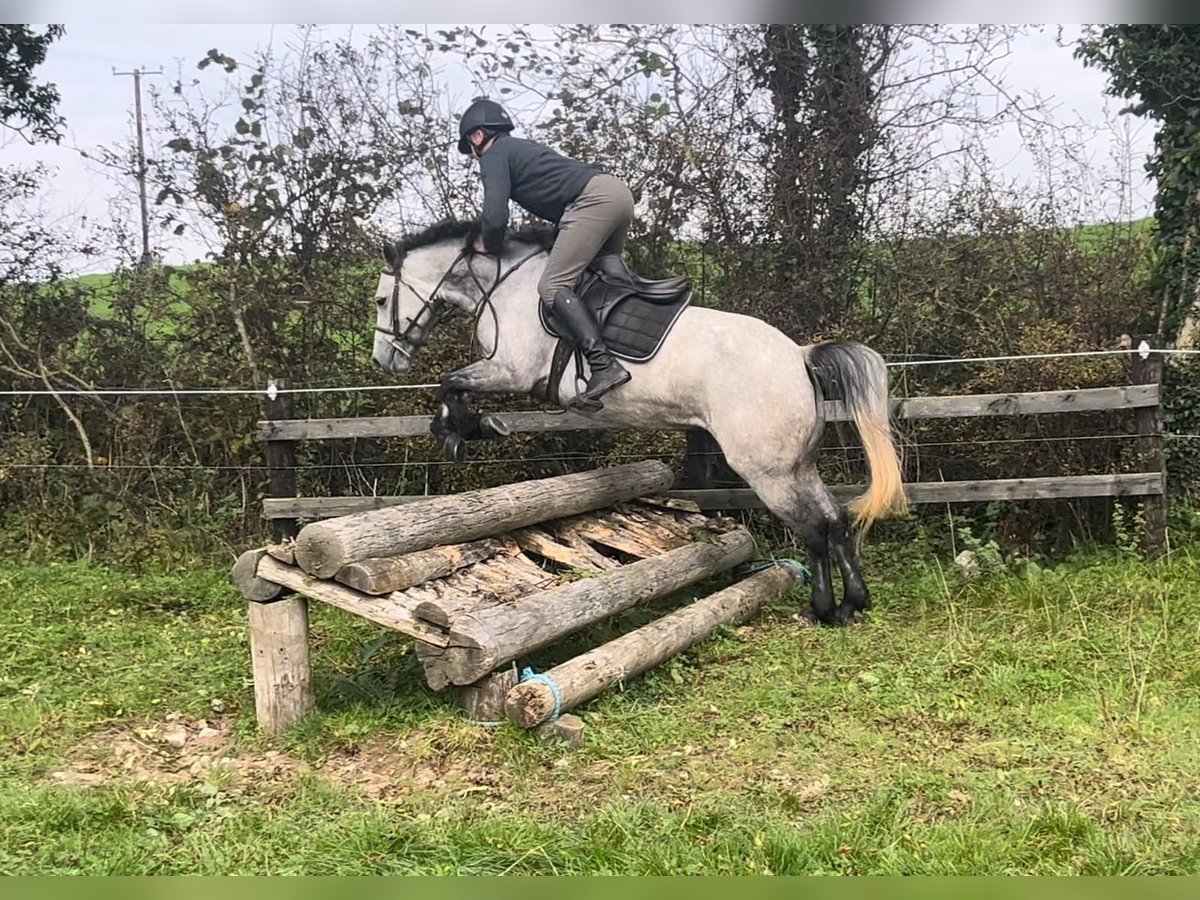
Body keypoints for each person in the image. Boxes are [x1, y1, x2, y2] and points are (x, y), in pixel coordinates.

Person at [457, 98, 633, 407]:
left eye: (471, 147)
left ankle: (603, 365)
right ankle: (635, 342)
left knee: (552, 286)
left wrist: (487, 244)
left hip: (593, 201)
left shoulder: (494, 154)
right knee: (604, 273)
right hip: (616, 194)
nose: (473, 155)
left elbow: (495, 217)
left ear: (478, 136)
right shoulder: (521, 148)